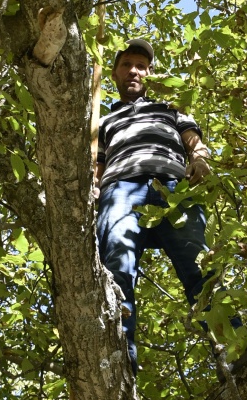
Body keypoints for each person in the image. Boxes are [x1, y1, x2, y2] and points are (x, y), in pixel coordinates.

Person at [94, 38, 239, 375]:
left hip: (174, 188)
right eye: (127, 64)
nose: (134, 71)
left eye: (141, 66)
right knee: (116, 265)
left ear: (151, 74)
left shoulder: (169, 107)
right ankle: (119, 356)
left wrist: (201, 157)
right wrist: (92, 185)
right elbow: (96, 164)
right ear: (114, 73)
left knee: (200, 268)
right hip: (120, 188)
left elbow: (192, 139)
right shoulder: (102, 122)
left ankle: (237, 347)